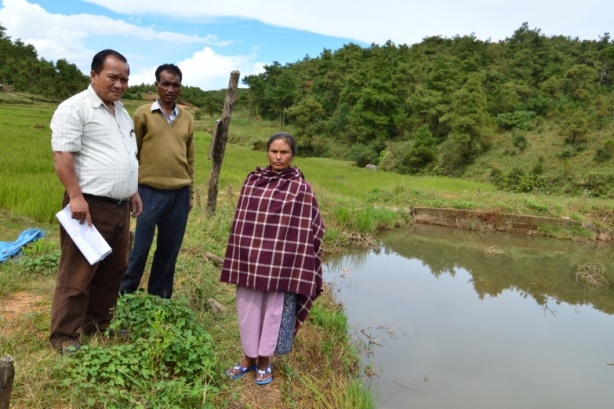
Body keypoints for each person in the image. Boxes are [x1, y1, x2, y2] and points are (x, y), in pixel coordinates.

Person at [49, 49, 142, 353]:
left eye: (124, 79)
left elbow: (127, 156)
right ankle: (64, 336)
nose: (119, 84)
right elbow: (62, 156)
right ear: (93, 75)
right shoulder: (75, 108)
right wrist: (75, 197)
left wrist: (133, 192)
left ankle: (98, 325)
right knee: (78, 273)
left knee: (114, 269)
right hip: (88, 206)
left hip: (119, 207)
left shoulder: (121, 111)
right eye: (113, 77)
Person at [220, 132, 325, 386]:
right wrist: (243, 252)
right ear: (267, 152)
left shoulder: (301, 187)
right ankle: (248, 358)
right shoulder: (253, 181)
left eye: (284, 152)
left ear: (292, 155)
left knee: (274, 310)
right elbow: (243, 222)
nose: (278, 157)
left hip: (282, 263)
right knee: (248, 307)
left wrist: (298, 255)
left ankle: (264, 360)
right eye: (274, 151)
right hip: (251, 259)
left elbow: (313, 226)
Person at [119, 64, 195, 298]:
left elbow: (189, 158)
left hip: (179, 193)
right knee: (140, 247)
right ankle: (125, 293)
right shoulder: (143, 113)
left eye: (176, 85)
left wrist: (190, 193)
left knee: (169, 249)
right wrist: (133, 190)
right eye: (166, 84)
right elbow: (133, 153)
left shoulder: (187, 118)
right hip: (148, 192)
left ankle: (159, 297)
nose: (171, 89)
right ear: (157, 85)